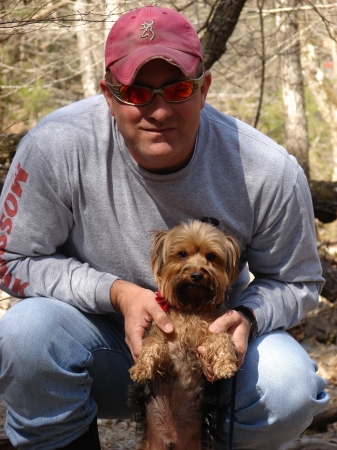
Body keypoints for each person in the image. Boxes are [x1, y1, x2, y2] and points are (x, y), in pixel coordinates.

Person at [0, 5, 329, 450]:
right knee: (26, 333)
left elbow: (297, 281)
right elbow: (11, 259)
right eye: (136, 94)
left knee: (288, 385)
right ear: (109, 94)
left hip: (214, 354)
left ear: (203, 88)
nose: (158, 110)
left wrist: (247, 316)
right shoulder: (55, 147)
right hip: (99, 348)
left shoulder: (266, 169)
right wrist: (117, 292)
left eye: (176, 90)